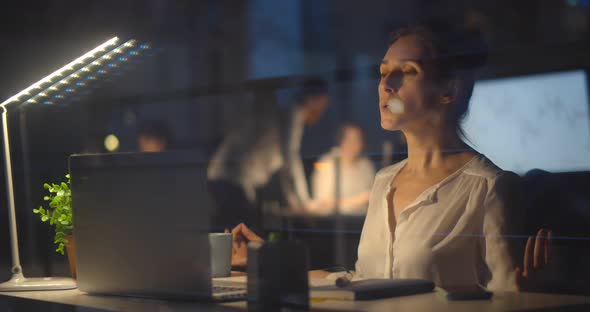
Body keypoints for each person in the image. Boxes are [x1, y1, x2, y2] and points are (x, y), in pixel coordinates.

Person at [228, 22, 553, 291]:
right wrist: (265, 260)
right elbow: (362, 281)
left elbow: (506, 296)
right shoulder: (384, 181)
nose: (386, 84)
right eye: (383, 72)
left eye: (406, 71)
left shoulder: (489, 188)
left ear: (448, 91)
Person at [207, 79, 330, 229]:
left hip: (225, 178)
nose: (323, 110)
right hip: (232, 180)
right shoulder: (293, 113)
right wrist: (303, 204)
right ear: (312, 99)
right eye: (323, 103)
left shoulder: (282, 112)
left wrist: (296, 202)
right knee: (240, 240)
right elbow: (290, 161)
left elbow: (286, 165)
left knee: (234, 236)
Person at [308, 122, 376, 215]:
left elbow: (373, 195)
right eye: (348, 139)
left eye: (357, 139)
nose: (353, 144)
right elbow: (321, 200)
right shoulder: (326, 162)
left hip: (362, 219)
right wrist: (357, 201)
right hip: (333, 221)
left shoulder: (366, 165)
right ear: (341, 141)